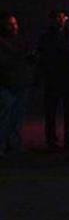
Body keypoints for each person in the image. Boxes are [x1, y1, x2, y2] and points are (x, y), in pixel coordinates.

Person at [38, 9, 69, 150]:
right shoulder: (46, 36)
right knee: (51, 111)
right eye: (57, 17)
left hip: (68, 77)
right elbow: (43, 54)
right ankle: (51, 140)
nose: (60, 20)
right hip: (53, 77)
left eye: (62, 17)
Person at [0, 13, 35, 156]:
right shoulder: (2, 43)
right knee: (4, 117)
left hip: (20, 84)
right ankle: (2, 145)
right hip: (5, 85)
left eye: (15, 24)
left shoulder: (21, 41)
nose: (14, 27)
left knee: (17, 118)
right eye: (10, 24)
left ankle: (14, 145)